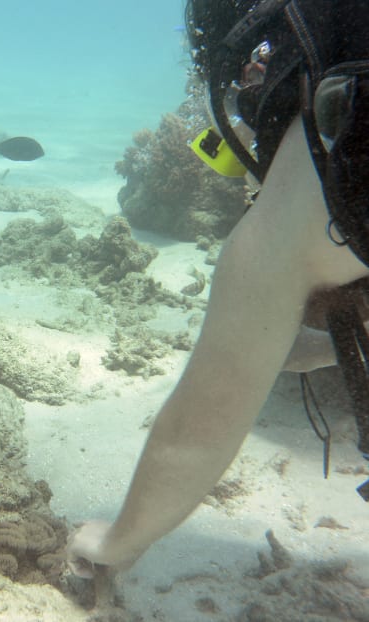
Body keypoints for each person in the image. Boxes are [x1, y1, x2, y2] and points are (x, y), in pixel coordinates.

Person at [68, 0, 369, 574]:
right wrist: (321, 345)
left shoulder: (333, 143)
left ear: (262, 64)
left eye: (240, 97)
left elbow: (201, 430)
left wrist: (116, 543)